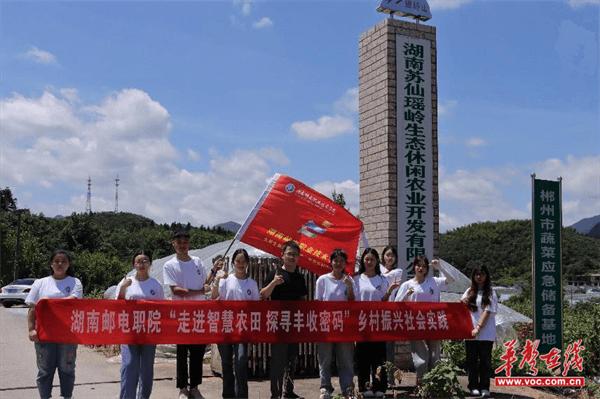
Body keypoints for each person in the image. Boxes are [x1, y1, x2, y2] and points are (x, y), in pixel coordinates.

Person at [163, 229, 221, 399]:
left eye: (185, 242)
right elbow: (177, 291)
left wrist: (213, 271)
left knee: (197, 351)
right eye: (179, 242)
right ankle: (182, 387)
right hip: (181, 314)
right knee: (182, 352)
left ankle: (194, 387)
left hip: (199, 314)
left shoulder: (197, 262)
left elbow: (205, 283)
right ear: (173, 243)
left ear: (189, 243)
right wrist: (199, 290)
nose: (182, 245)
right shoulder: (170, 265)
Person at [25, 249, 83, 399]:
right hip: (44, 336)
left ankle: (67, 396)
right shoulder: (40, 283)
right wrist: (31, 329)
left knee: (67, 369)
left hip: (68, 336)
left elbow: (74, 301)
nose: (60, 264)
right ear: (51, 264)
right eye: (56, 261)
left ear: (68, 264)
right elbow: (32, 308)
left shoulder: (75, 282)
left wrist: (47, 302)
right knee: (45, 370)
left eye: (63, 261)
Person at [393, 256, 454, 384]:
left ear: (427, 269)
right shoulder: (407, 285)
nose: (421, 268)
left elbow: (451, 280)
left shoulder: (434, 281)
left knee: (434, 357)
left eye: (424, 266)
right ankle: (422, 384)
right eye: (418, 265)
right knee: (421, 360)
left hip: (433, 323)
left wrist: (440, 267)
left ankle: (434, 385)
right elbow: (396, 304)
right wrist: (406, 295)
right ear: (414, 267)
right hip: (416, 324)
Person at [260, 240, 308, 399]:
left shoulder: (300, 278)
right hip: (278, 325)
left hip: (294, 324)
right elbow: (263, 295)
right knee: (278, 363)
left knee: (292, 361)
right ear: (282, 255)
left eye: (295, 254)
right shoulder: (275, 274)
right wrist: (274, 282)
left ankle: (288, 392)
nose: (292, 257)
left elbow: (303, 300)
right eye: (289, 254)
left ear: (298, 257)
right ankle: (275, 394)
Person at [211, 248, 259, 398]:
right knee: (226, 363)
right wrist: (218, 280)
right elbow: (214, 298)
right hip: (225, 326)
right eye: (238, 261)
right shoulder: (225, 280)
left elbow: (256, 307)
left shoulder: (252, 283)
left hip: (242, 328)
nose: (240, 264)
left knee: (240, 361)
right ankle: (228, 394)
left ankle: (242, 395)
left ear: (247, 263)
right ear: (233, 263)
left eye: (243, 261)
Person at [115, 251, 164, 399]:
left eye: (145, 261)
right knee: (129, 365)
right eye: (138, 261)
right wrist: (123, 288)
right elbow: (117, 305)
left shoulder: (156, 285)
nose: (142, 264)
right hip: (129, 331)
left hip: (149, 333)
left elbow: (162, 309)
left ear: (150, 264)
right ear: (133, 264)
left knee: (146, 369)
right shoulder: (126, 282)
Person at [354, 248, 398, 397]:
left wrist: (389, 292)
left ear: (377, 261)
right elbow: (352, 301)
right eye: (366, 259)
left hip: (379, 324)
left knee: (379, 357)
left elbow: (383, 301)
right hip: (362, 324)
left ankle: (380, 387)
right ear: (362, 261)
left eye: (372, 259)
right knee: (363, 358)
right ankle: (365, 387)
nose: (369, 262)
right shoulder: (356, 279)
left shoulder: (382, 279)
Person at [314, 249, 356, 399]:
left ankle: (347, 388)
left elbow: (353, 303)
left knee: (346, 359)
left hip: (344, 327)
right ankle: (325, 387)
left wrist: (349, 287)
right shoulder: (322, 280)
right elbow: (317, 303)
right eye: (335, 260)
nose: (338, 263)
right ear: (331, 262)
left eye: (341, 261)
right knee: (324, 359)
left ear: (345, 263)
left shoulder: (349, 280)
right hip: (326, 326)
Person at [461, 264, 497, 398]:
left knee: (485, 362)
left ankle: (485, 387)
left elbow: (488, 311)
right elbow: (461, 308)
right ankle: (473, 386)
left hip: (486, 334)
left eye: (482, 274)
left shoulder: (491, 292)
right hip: (470, 333)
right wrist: (463, 302)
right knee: (471, 362)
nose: (479, 277)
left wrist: (478, 328)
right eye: (476, 274)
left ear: (486, 276)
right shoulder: (469, 291)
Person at [379, 245, 403, 363]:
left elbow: (387, 276)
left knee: (389, 345)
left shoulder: (398, 271)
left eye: (392, 255)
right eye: (388, 255)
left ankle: (390, 377)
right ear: (383, 256)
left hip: (390, 310)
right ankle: (378, 375)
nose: (390, 258)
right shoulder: (378, 269)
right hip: (377, 310)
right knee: (378, 345)